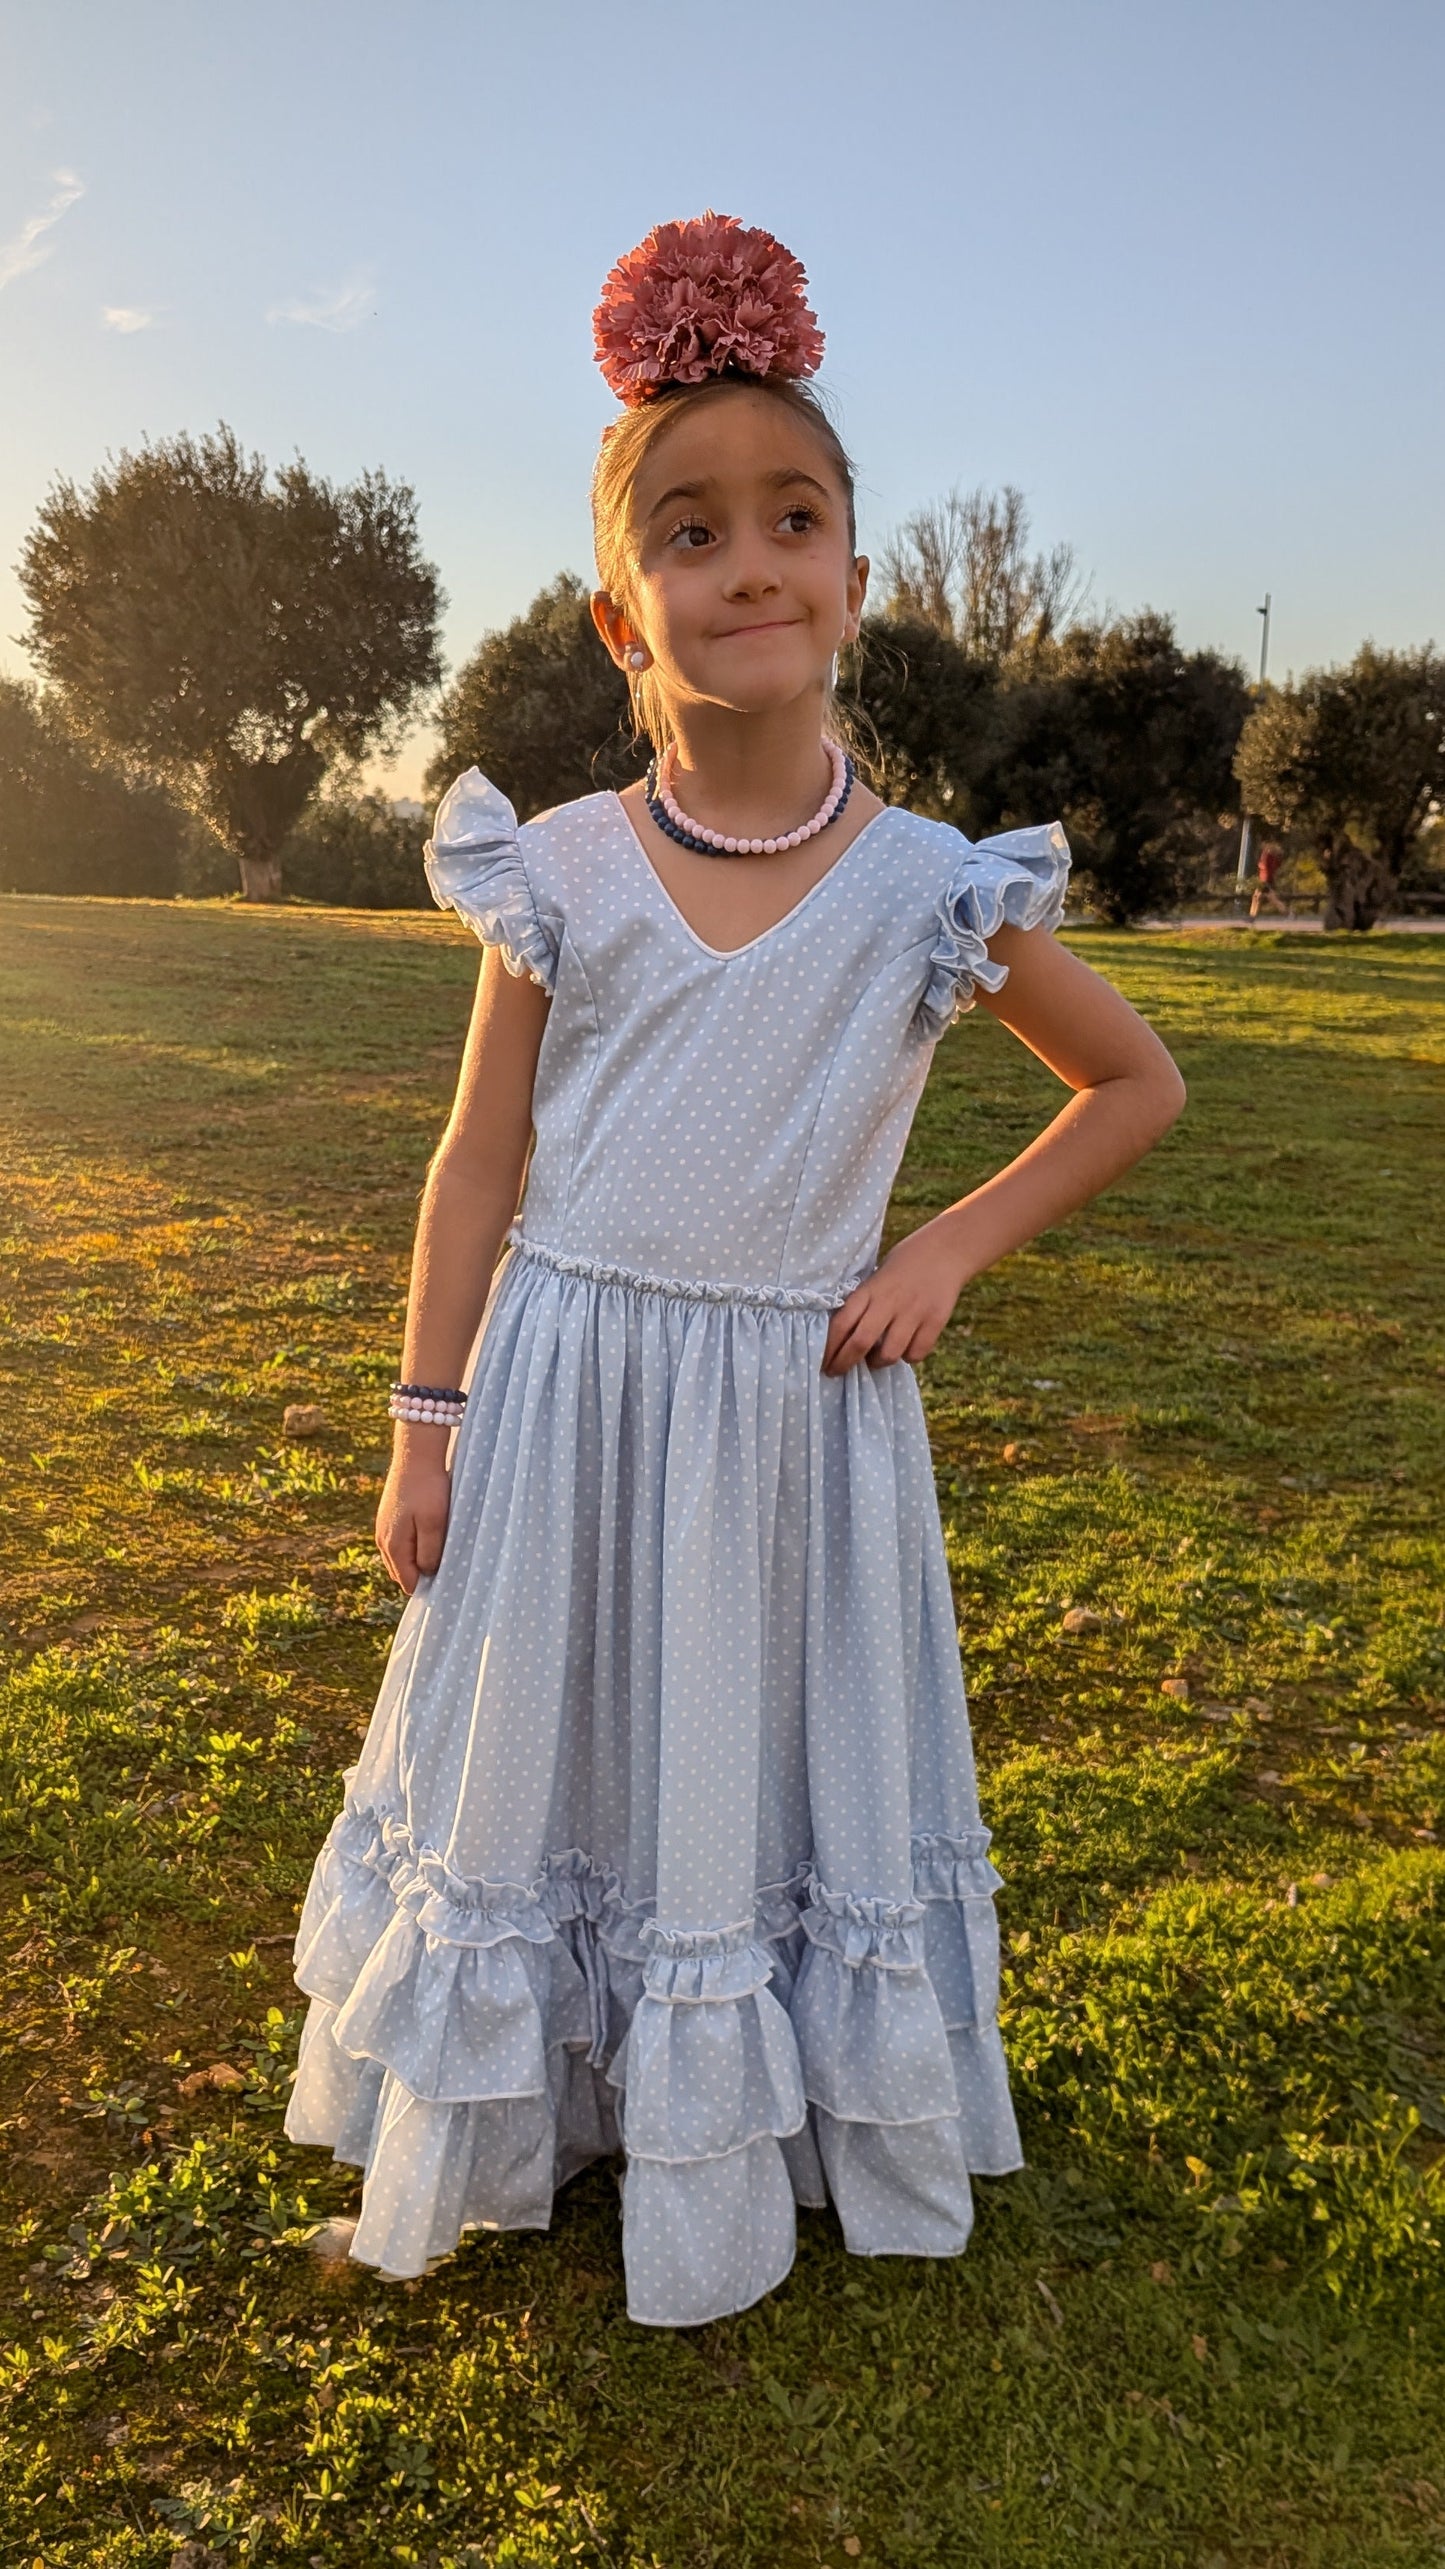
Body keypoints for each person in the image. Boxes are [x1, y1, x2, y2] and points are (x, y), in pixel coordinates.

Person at [283, 214, 1186, 2328]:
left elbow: (1128, 1083)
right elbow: (478, 1156)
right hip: (567, 1384)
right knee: (540, 1749)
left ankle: (750, 2121)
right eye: (691, 533)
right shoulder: (558, 871)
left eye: (793, 519)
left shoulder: (926, 894)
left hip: (792, 1404)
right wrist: (424, 1423)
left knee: (749, 1758)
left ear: (855, 582)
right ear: (627, 613)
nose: (748, 563)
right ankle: (523, 2116)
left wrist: (945, 1249)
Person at [1249, 838, 1288, 918]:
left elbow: (1263, 865)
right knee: (1257, 897)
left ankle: (1287, 913)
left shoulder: (1267, 855)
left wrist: (1259, 864)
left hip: (1264, 879)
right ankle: (1252, 916)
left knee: (1272, 899)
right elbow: (1275, 867)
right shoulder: (1274, 856)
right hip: (1267, 879)